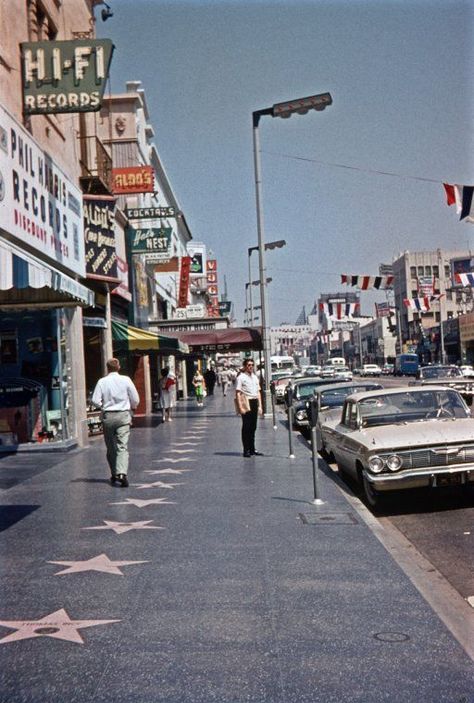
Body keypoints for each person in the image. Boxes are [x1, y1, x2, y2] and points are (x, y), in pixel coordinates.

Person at [91, 358, 139, 487]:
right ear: (118, 367)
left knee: (111, 447)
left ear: (107, 368)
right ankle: (122, 473)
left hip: (108, 416)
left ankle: (114, 473)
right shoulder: (126, 380)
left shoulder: (102, 382)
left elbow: (95, 400)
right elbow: (135, 398)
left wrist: (103, 406)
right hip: (123, 415)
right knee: (122, 446)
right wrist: (132, 407)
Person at [235, 358, 263, 458]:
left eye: (252, 365)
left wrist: (260, 406)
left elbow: (258, 392)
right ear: (244, 366)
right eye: (248, 365)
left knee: (253, 427)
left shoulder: (255, 377)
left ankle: (252, 449)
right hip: (246, 402)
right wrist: (240, 407)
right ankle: (246, 450)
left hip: (254, 401)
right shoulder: (241, 377)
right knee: (246, 427)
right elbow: (238, 393)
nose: (250, 367)